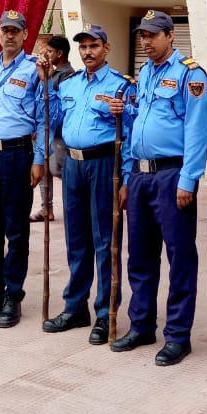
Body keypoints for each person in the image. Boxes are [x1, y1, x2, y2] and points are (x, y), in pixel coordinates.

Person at [112, 10, 207, 367]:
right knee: (139, 255)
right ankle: (141, 325)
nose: (146, 41)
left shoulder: (189, 73)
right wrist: (126, 178)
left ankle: (177, 336)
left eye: (153, 35)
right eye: (143, 35)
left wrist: (189, 179)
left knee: (180, 257)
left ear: (170, 36)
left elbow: (198, 130)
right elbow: (135, 127)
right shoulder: (144, 75)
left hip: (172, 176)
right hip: (139, 177)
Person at [0, 9, 59, 329]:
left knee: (15, 229)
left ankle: (12, 296)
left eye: (16, 31)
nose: (9, 35)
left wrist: (40, 159)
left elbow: (46, 116)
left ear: (24, 35)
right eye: (5, 29)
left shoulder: (35, 69)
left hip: (17, 154)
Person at [43, 24, 133, 344]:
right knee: (76, 238)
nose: (87, 52)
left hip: (104, 164)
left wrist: (127, 174)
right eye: (83, 47)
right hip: (73, 165)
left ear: (106, 48)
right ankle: (75, 307)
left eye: (94, 45)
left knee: (104, 241)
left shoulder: (121, 85)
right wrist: (44, 86)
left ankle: (105, 311)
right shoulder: (69, 85)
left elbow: (132, 129)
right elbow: (51, 119)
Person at [31, 34, 77, 223]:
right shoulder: (52, 72)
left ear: (60, 53)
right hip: (47, 130)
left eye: (50, 52)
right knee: (44, 170)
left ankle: (74, 204)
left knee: (58, 169)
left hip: (58, 132)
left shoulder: (67, 75)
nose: (47, 55)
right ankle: (46, 209)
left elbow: (59, 103)